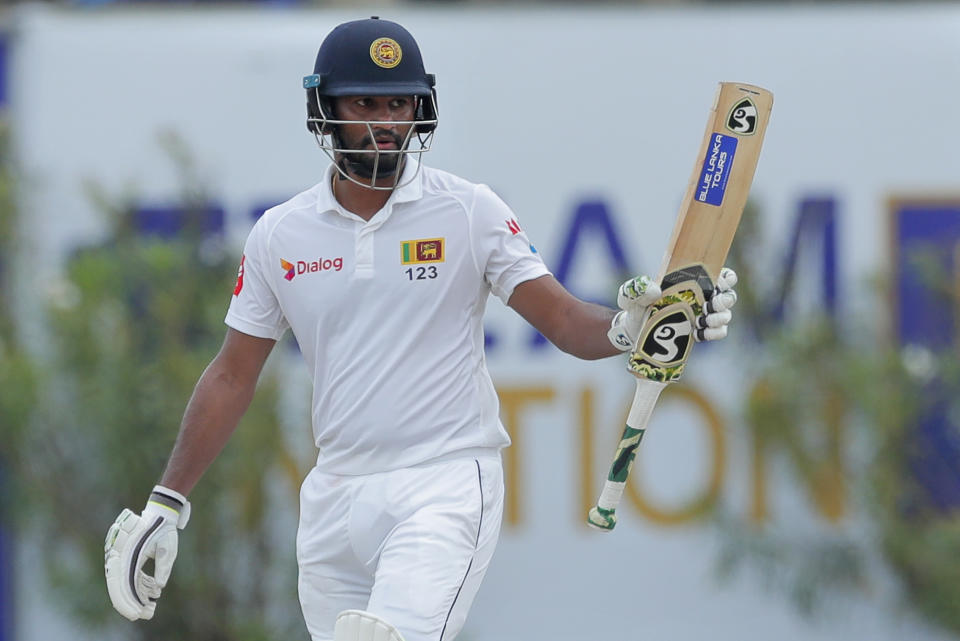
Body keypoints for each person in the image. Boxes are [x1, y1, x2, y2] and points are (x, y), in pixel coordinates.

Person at [103, 16, 738, 641]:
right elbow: (233, 373)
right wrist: (168, 501)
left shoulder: (467, 211)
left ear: (421, 109)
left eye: (399, 103)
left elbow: (568, 322)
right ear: (322, 108)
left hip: (444, 483)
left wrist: (634, 327)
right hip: (333, 497)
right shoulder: (280, 233)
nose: (384, 123)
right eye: (364, 104)